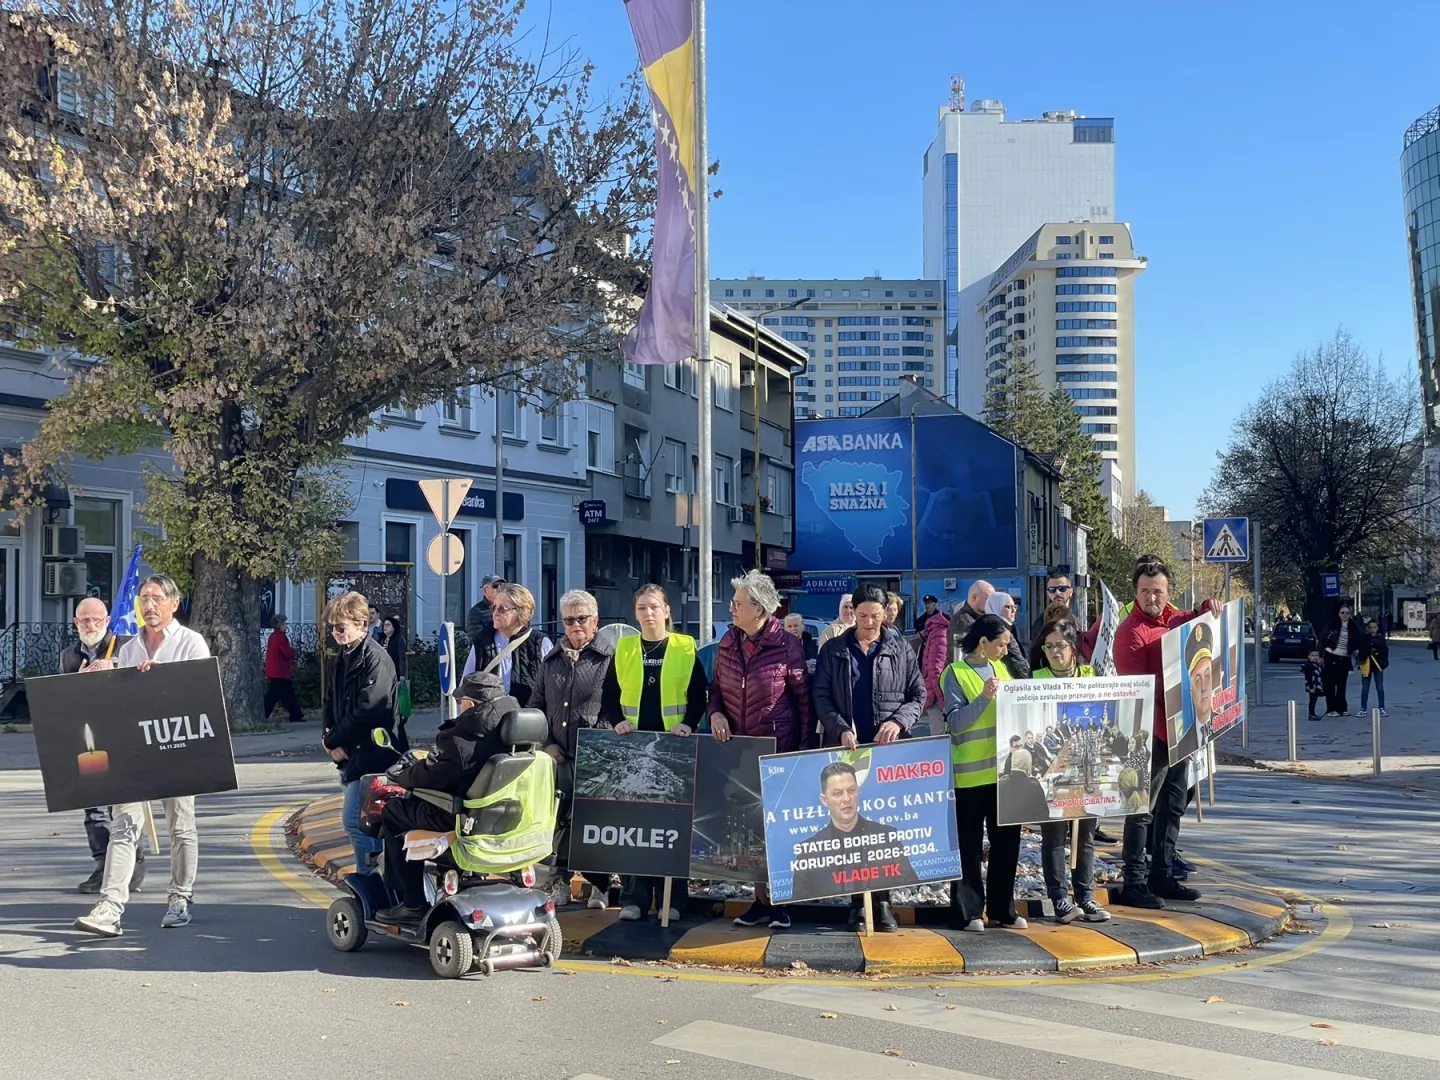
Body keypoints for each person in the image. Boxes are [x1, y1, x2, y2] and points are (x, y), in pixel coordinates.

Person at [74, 575, 210, 937]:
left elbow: (200, 697)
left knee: (180, 827)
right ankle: (110, 906)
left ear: (173, 603)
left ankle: (180, 898)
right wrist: (98, 679)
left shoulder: (190, 643)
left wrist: (159, 679)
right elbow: (118, 705)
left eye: (156, 598)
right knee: (124, 825)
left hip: (178, 750)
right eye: (143, 599)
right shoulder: (128, 649)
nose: (149, 606)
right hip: (135, 753)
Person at [811, 583, 925, 932]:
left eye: (876, 616)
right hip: (848, 750)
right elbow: (821, 695)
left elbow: (918, 694)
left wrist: (898, 721)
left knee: (882, 828)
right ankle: (856, 903)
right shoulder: (834, 650)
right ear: (852, 613)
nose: (870, 622)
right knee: (851, 828)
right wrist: (840, 727)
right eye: (863, 616)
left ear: (886, 613)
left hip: (887, 751)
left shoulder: (899, 648)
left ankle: (883, 900)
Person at [710, 571, 814, 931]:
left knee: (778, 830)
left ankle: (782, 903)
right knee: (749, 829)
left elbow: (803, 702)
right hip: (738, 749)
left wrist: (801, 752)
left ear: (760, 608)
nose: (731, 608)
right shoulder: (728, 641)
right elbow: (716, 689)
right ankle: (759, 900)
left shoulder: (786, 645)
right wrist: (716, 713)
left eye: (738, 603)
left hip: (777, 749)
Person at [599, 585, 708, 923]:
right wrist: (617, 722)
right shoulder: (625, 648)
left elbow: (700, 695)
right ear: (635, 613)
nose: (648, 614)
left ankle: (673, 900)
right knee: (637, 827)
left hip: (674, 747)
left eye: (654, 607)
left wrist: (689, 724)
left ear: (666, 611)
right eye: (642, 607)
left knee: (673, 827)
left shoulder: (685, 647)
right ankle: (635, 897)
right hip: (634, 746)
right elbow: (609, 694)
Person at [374, 671, 519, 925]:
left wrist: (404, 776)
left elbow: (430, 776)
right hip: (503, 816)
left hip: (455, 816)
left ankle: (412, 903)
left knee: (394, 810)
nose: (460, 706)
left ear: (471, 704)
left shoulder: (461, 739)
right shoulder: (515, 738)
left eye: (462, 701)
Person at [1112, 557, 1213, 909]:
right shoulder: (1130, 632)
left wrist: (1207, 608)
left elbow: (1201, 627)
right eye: (1144, 591)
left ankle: (1163, 874)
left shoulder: (1176, 620)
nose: (1151, 597)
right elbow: (1137, 690)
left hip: (1180, 731)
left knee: (1172, 806)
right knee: (1141, 809)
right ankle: (1134, 882)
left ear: (1168, 592)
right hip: (1150, 734)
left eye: (1157, 591)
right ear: (1135, 592)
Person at [532, 589, 615, 910]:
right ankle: (560, 881)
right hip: (558, 755)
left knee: (592, 822)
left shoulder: (609, 659)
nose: (575, 625)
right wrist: (547, 743)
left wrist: (599, 741)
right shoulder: (551, 661)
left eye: (582, 619)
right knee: (558, 821)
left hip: (596, 754)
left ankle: (600, 885)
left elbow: (615, 707)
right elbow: (537, 705)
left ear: (595, 621)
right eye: (569, 620)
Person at [940, 613, 1024, 932]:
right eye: (1001, 644)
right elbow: (957, 723)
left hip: (1004, 775)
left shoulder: (1002, 669)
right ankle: (968, 912)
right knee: (969, 846)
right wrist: (984, 697)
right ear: (984, 643)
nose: (1006, 650)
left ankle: (1003, 909)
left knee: (1007, 844)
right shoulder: (955, 674)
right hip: (970, 777)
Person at [1028, 618, 1110, 924]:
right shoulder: (1034, 679)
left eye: (1060, 646)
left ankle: (1085, 896)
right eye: (1048, 646)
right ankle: (1060, 898)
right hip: (1053, 772)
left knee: (1084, 835)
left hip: (1089, 767)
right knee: (1054, 837)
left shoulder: (1092, 675)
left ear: (1073, 647)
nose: (1054, 652)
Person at [63, 597, 144, 896]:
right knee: (94, 806)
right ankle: (102, 865)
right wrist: (77, 682)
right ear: (76, 623)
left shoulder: (127, 647)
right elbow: (61, 699)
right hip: (90, 739)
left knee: (124, 806)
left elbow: (142, 686)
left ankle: (133, 865)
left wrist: (115, 668)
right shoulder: (69, 656)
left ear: (108, 621)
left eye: (97, 619)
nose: (91, 625)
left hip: (123, 735)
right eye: (85, 620)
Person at [321, 590, 400, 884]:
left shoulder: (375, 660)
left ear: (361, 624)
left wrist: (332, 740)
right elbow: (330, 702)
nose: (336, 632)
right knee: (368, 824)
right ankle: (380, 879)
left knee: (356, 822)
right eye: (332, 627)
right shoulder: (343, 657)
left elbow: (369, 710)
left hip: (374, 754)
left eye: (341, 627)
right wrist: (329, 737)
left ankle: (371, 879)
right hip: (351, 754)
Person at [787, 762, 916, 908]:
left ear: (858, 792)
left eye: (851, 790)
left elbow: (910, 884)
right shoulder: (809, 850)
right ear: (824, 800)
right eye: (837, 793)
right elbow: (799, 902)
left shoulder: (886, 836)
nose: (847, 798)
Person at [462, 582, 552, 707]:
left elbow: (552, 691)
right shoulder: (482, 641)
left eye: (502, 609)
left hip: (527, 723)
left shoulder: (540, 643)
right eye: (494, 607)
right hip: (488, 723)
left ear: (522, 612)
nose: (495, 613)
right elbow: (465, 687)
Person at [1320, 605, 1364, 716]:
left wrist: (1357, 652)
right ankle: (1331, 709)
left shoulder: (1353, 627)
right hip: (1331, 655)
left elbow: (1357, 641)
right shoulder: (1332, 625)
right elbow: (1322, 639)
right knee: (1330, 683)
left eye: (1347, 613)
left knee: (1341, 684)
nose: (1345, 615)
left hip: (1344, 658)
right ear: (1338, 614)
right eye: (1342, 612)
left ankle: (1342, 708)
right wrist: (1320, 655)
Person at [918, 600, 951, 737]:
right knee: (940, 738)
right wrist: (943, 700)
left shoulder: (937, 630)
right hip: (937, 694)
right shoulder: (941, 633)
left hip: (935, 691)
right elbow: (935, 670)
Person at [264, 614, 304, 724]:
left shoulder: (274, 636)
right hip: (279, 672)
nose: (287, 626)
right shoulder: (280, 637)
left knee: (286, 694)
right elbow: (286, 652)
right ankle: (264, 714)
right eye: (285, 623)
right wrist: (295, 652)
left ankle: (296, 715)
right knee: (273, 696)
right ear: (280, 624)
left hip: (276, 671)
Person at [946, 579, 995, 664]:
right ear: (974, 598)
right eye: (988, 600)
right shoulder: (963, 622)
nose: (991, 604)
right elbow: (958, 658)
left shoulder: (978, 620)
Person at [984, 591, 1031, 679]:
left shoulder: (1008, 627)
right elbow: (1015, 660)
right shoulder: (1000, 630)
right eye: (1008, 607)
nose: (1013, 610)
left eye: (1015, 606)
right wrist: (1026, 681)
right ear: (996, 607)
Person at [1030, 570, 1076, 644]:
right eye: (1052, 590)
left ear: (1071, 592)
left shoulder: (1075, 621)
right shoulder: (1041, 623)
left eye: (1062, 589)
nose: (1057, 593)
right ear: (1048, 594)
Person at [464, 574, 506, 642]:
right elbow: (476, 639)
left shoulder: (508, 608)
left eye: (502, 585)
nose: (499, 588)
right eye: (495, 586)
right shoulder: (476, 612)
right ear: (485, 590)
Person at [1359, 619, 1388, 716]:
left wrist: (1378, 653)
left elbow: (1385, 652)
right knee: (1365, 688)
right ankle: (1363, 708)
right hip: (1366, 665)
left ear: (1377, 628)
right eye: (1370, 627)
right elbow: (1361, 650)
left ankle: (1382, 707)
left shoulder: (1381, 639)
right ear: (1367, 628)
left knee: (1379, 687)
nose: (1372, 630)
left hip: (1378, 666)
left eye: (1374, 627)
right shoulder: (1363, 638)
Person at [1302, 648, 1325, 721]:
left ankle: (1313, 713)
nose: (1315, 657)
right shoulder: (1308, 666)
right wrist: (1311, 687)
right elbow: (1308, 677)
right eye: (1313, 655)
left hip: (1317, 685)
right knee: (1312, 700)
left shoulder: (1318, 665)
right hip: (1312, 686)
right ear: (1309, 656)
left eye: (1316, 655)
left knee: (1314, 700)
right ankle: (1311, 714)